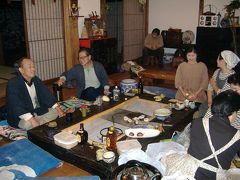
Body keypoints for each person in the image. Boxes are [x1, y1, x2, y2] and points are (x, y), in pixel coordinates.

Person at [162, 90, 240, 179]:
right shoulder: (237, 135)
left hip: (187, 169)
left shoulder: (197, 122)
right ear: (232, 112)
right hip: (212, 176)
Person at [6, 58, 65, 130]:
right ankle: (40, 124)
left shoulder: (36, 79)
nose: (33, 69)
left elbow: (46, 94)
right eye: (29, 67)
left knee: (56, 111)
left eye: (33, 66)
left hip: (36, 111)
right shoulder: (13, 83)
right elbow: (16, 106)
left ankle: (39, 124)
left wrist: (58, 109)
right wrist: (31, 119)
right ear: (21, 70)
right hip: (21, 115)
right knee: (27, 124)